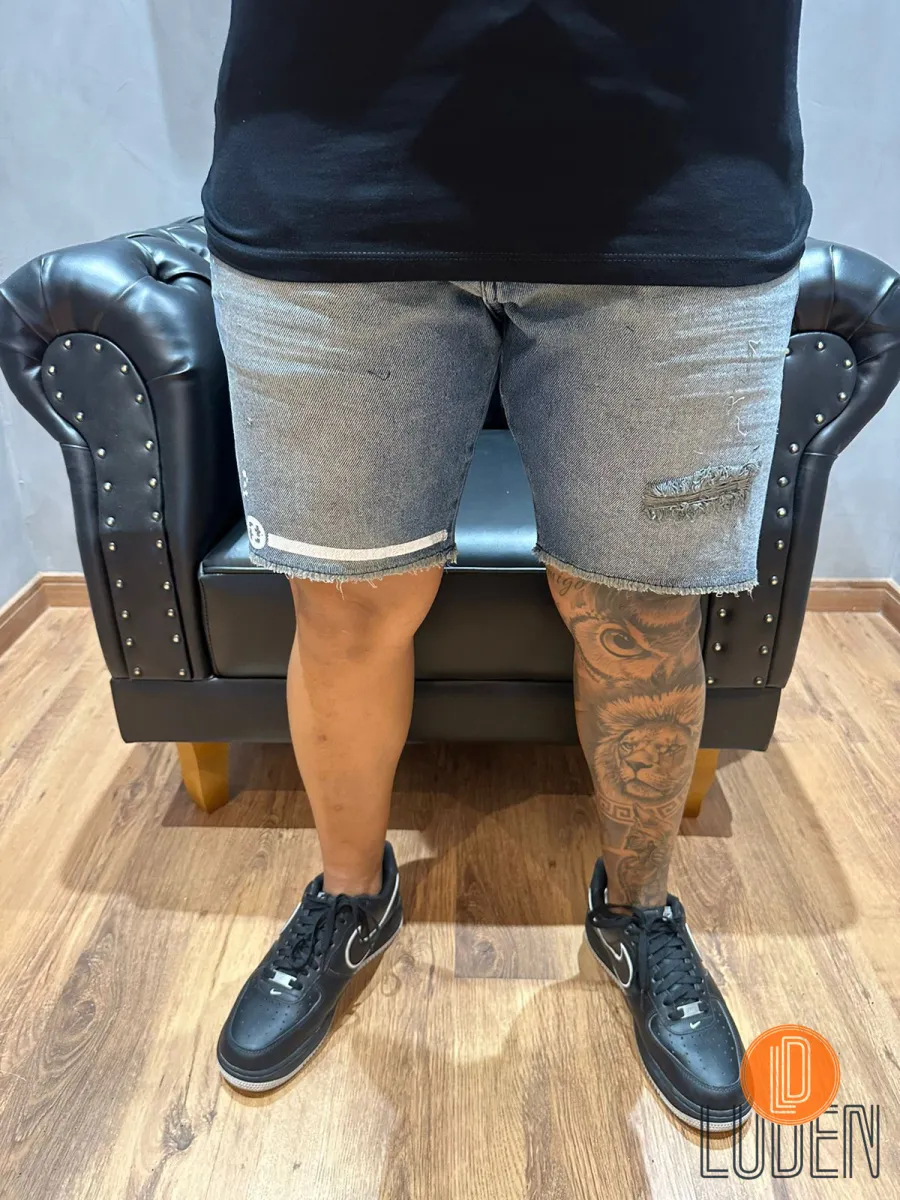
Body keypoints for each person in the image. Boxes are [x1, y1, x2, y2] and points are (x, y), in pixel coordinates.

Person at [201, 0, 810, 1128]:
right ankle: (349, 897)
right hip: (328, 181)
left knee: (643, 616)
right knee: (344, 610)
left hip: (683, 189)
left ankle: (637, 916)